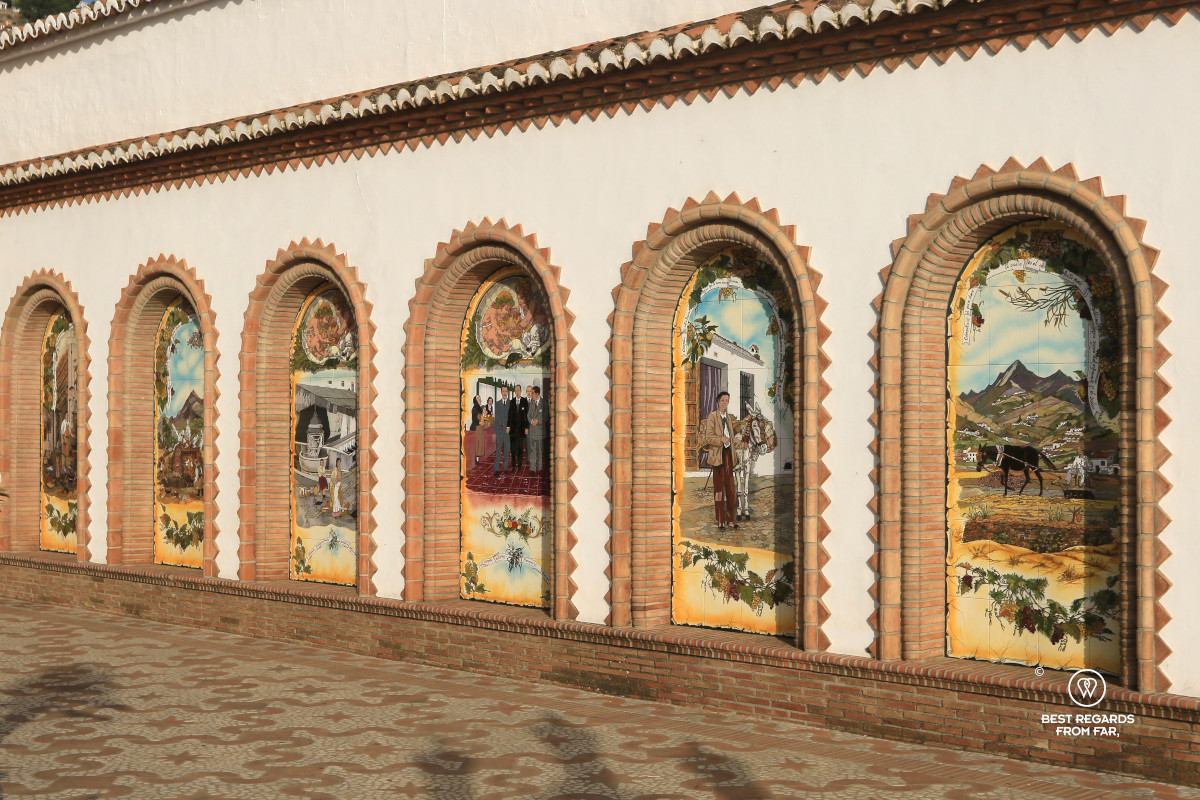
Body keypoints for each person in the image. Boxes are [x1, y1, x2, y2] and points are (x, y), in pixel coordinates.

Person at [698, 391, 739, 530]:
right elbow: (708, 437)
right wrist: (721, 439)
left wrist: (741, 444)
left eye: (726, 401)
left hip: (728, 456)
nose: (724, 403)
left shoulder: (728, 418)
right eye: (722, 400)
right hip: (717, 457)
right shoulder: (712, 416)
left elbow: (732, 440)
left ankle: (731, 520)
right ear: (718, 402)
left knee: (731, 489)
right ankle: (721, 520)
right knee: (719, 490)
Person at [526, 385, 548, 474]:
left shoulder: (544, 403)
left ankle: (539, 469)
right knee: (532, 451)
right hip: (533, 431)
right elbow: (528, 415)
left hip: (540, 431)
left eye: (533, 393)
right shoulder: (531, 403)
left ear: (537, 393)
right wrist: (531, 421)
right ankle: (532, 469)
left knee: (540, 451)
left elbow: (546, 416)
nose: (531, 394)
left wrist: (538, 421)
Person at [509, 384, 528, 473]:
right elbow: (509, 416)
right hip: (513, 431)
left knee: (520, 449)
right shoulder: (512, 401)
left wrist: (527, 427)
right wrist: (508, 427)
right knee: (513, 450)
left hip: (521, 430)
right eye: (515, 390)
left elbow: (526, 416)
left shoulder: (524, 401)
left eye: (518, 390)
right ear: (514, 391)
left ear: (521, 391)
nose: (517, 392)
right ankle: (514, 466)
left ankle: (520, 466)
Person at [493, 386, 511, 475]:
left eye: (506, 391)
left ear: (507, 392)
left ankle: (506, 468)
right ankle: (496, 469)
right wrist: (495, 432)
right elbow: (496, 419)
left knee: (507, 450)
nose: (504, 393)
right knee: (498, 451)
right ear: (501, 392)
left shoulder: (511, 404)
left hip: (507, 432)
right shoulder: (497, 404)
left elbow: (512, 418)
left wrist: (509, 427)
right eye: (503, 391)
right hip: (499, 431)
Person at [469, 395, 484, 465]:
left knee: (478, 445)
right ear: (477, 401)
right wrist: (479, 422)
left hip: (479, 429)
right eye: (480, 400)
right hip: (475, 428)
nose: (481, 401)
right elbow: (474, 419)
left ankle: (476, 460)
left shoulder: (479, 408)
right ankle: (474, 460)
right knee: (476, 445)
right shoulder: (474, 409)